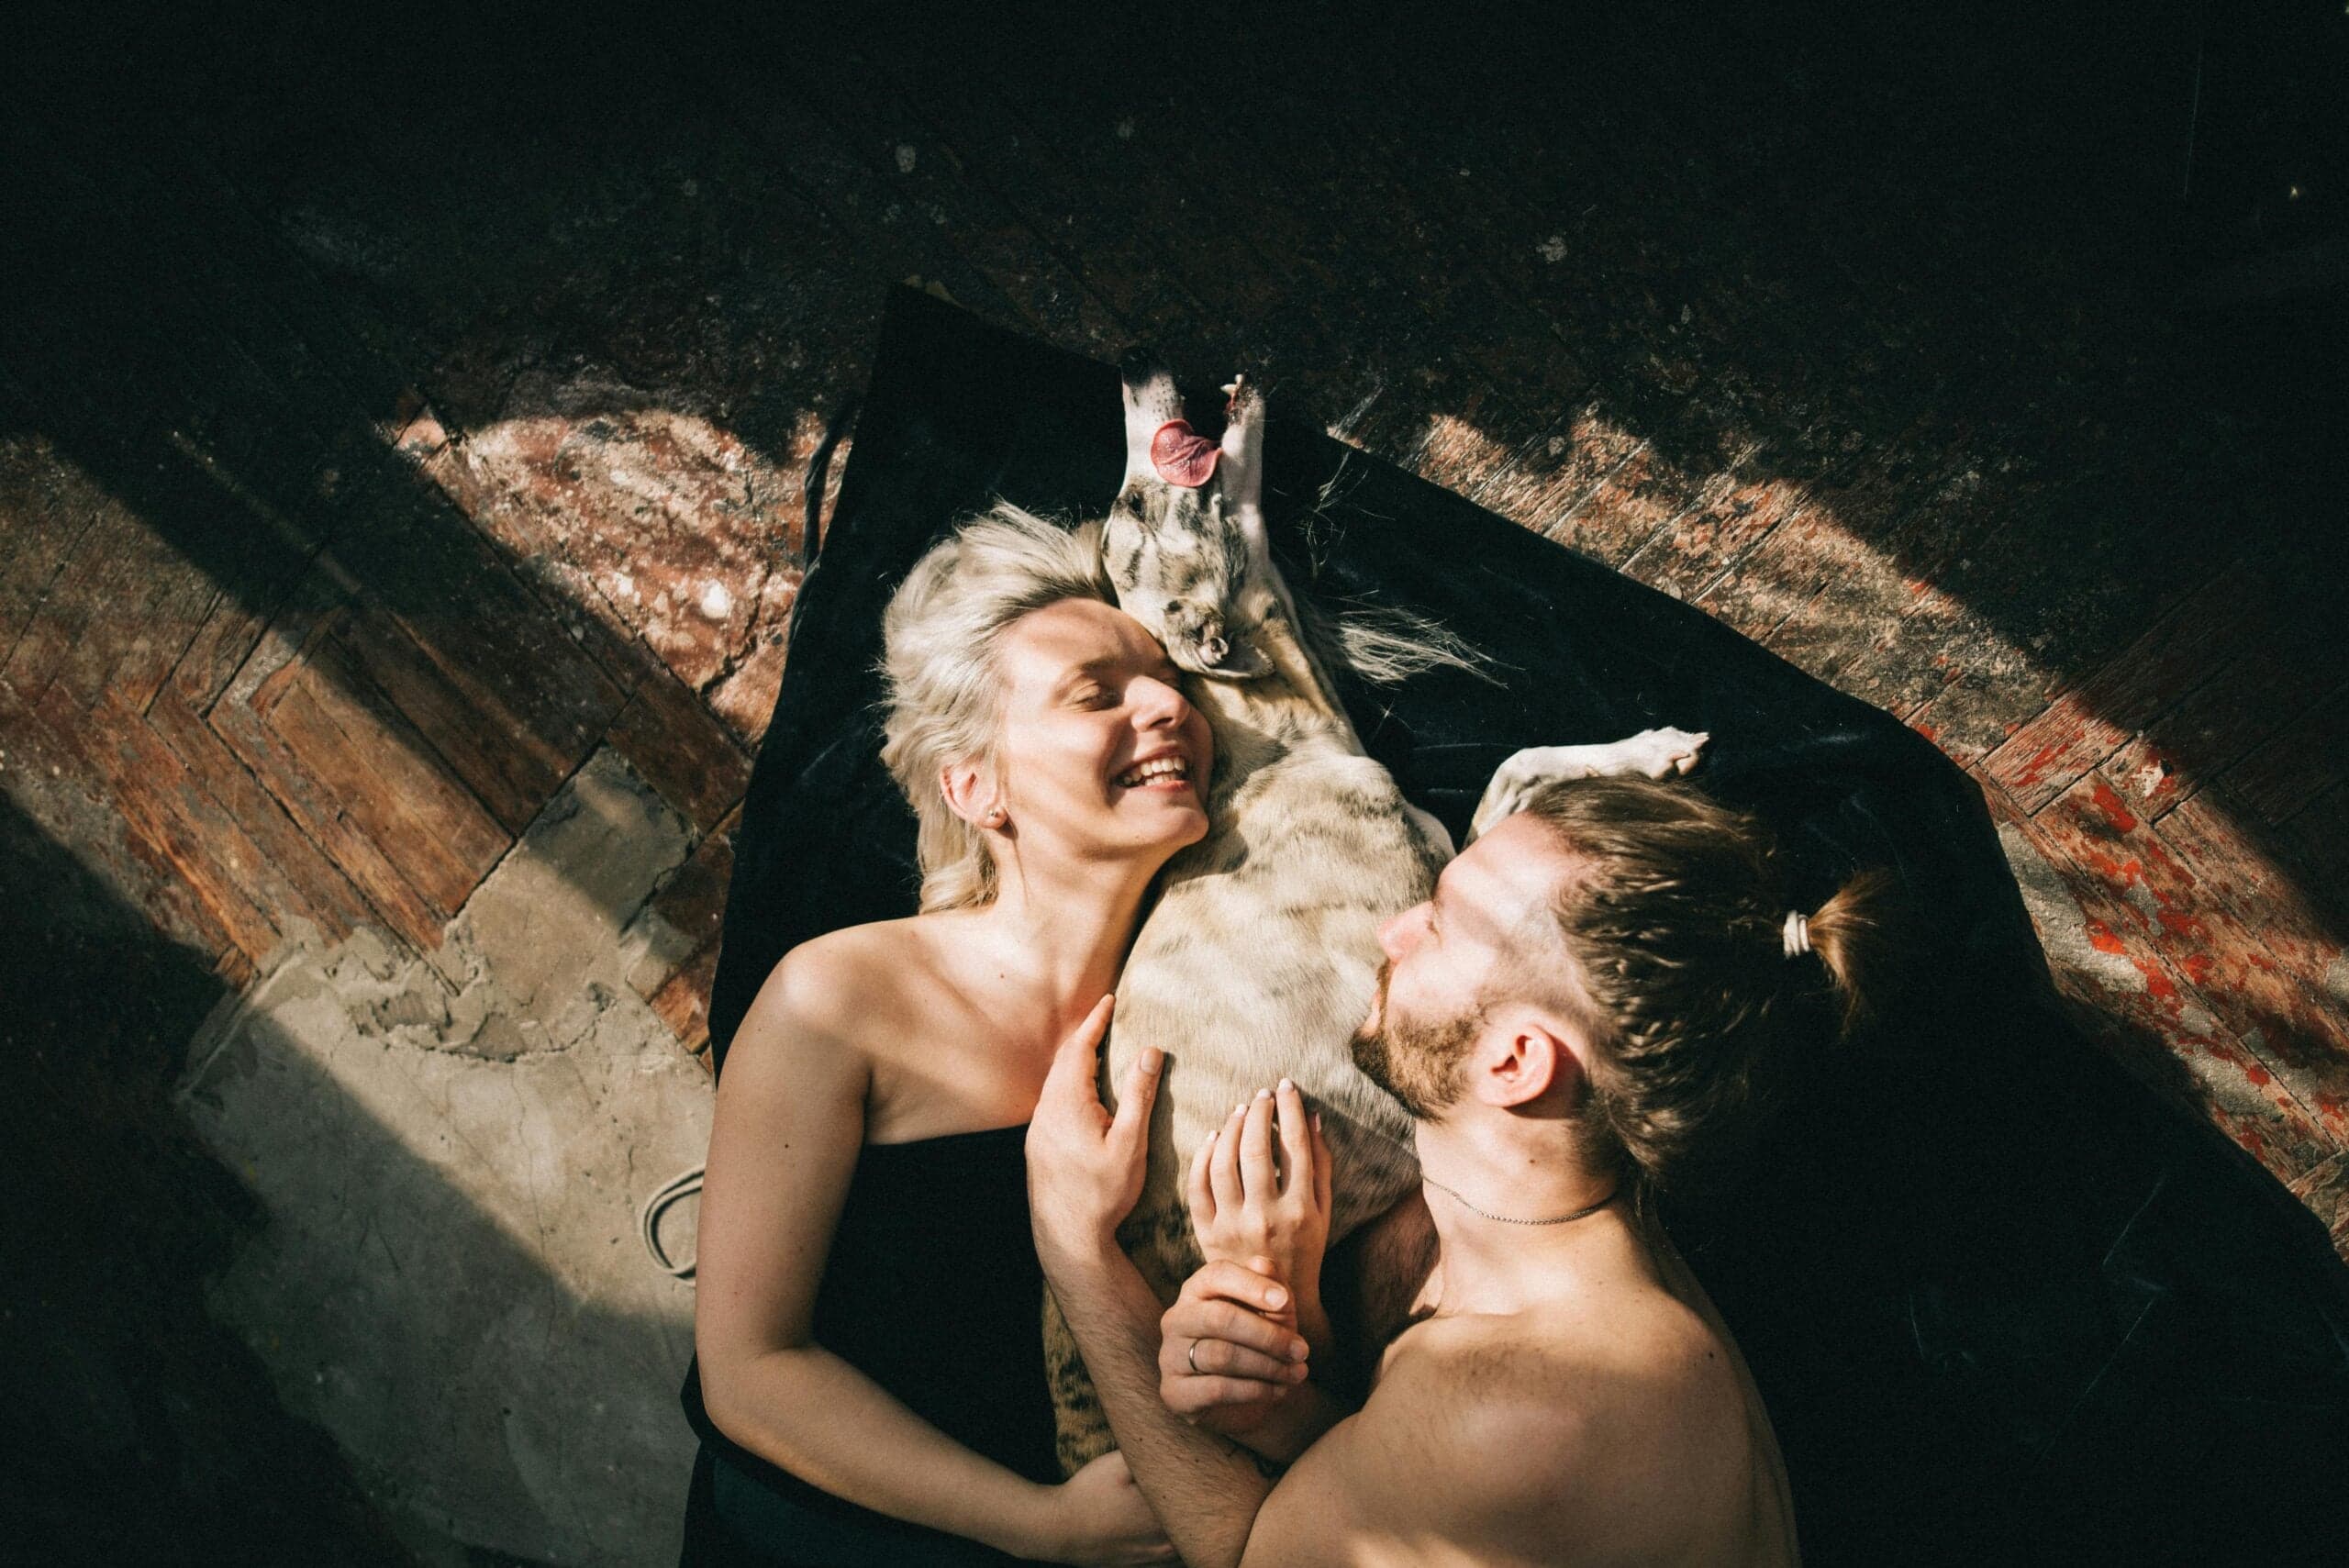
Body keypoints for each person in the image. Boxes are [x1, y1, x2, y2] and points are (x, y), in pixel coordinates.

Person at [1028, 773, 1896, 1567]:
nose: (1391, 930)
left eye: (1437, 924)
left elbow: (1248, 1550)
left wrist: (1072, 1241)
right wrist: (1291, 1376)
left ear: (1514, 1063)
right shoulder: (1557, 1256)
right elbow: (1427, 1493)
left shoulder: (1534, 1399)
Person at [677, 506, 1197, 1566]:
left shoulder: (1199, 1003)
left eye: (1168, 677)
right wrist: (1039, 1525)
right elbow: (751, 1368)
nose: (1167, 704)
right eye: (1098, 692)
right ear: (976, 785)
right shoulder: (839, 998)